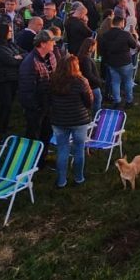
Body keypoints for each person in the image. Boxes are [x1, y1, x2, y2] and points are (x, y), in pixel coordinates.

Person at [49, 55, 93, 188]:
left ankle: (61, 181)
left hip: (59, 120)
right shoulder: (81, 81)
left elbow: (49, 99)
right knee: (79, 149)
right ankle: (79, 178)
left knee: (62, 149)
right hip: (79, 120)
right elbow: (89, 101)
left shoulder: (53, 80)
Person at [19, 30, 57, 152]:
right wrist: (36, 108)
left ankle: (41, 160)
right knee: (34, 135)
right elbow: (26, 90)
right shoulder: (30, 63)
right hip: (36, 108)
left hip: (48, 105)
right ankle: (29, 162)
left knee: (47, 133)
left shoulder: (51, 56)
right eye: (52, 42)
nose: (54, 44)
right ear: (43, 44)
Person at [0, 23, 25, 136]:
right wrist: (17, 58)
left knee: (8, 105)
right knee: (5, 104)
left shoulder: (11, 45)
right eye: (9, 31)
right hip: (2, 79)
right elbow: (11, 61)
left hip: (13, 78)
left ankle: (4, 127)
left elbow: (25, 53)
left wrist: (19, 57)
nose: (11, 33)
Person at [98, 13, 139, 108]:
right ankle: (129, 101)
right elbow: (133, 45)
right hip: (125, 61)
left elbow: (102, 49)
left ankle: (117, 100)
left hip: (112, 62)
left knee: (115, 82)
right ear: (121, 23)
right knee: (128, 81)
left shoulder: (105, 35)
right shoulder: (125, 34)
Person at [76, 38, 104, 115]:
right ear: (90, 47)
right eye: (94, 46)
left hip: (86, 85)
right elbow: (88, 74)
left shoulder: (81, 56)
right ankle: (96, 118)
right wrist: (98, 81)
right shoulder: (86, 59)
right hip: (93, 86)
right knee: (97, 102)